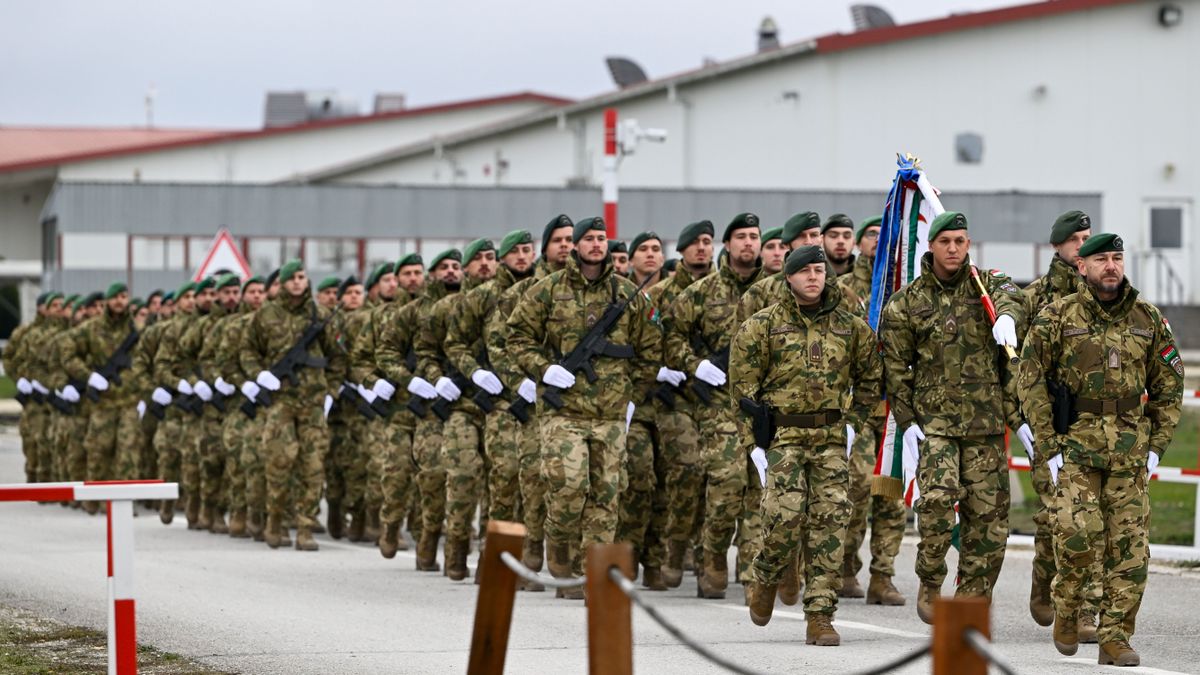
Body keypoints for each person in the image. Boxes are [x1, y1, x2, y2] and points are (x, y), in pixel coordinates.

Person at [1019, 233, 1182, 667]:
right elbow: (1030, 380)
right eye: (1101, 259)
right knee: (1076, 539)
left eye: (1117, 258)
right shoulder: (1056, 316)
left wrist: (1156, 446)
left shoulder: (1147, 318)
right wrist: (1047, 444)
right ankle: (1068, 608)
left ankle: (1115, 638)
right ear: (1082, 267)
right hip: (1074, 447)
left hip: (1130, 452)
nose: (1111, 266)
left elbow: (1169, 385)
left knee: (1130, 551)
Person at [879, 211, 1025, 622]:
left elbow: (1015, 295)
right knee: (938, 507)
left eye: (961, 241)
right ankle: (930, 577)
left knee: (990, 523)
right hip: (935, 426)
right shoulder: (907, 302)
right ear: (931, 245)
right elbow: (895, 369)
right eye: (946, 241)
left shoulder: (986, 285)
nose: (955, 249)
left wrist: (1008, 316)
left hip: (984, 427)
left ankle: (972, 596)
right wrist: (907, 422)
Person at [732, 245, 880, 645]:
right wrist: (753, 445)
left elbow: (871, 379)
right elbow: (742, 391)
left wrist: (853, 424)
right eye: (806, 271)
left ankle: (820, 615)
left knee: (831, 523)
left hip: (831, 438)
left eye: (820, 270)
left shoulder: (851, 327)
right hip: (783, 438)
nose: (814, 277)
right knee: (783, 518)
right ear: (789, 277)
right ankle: (766, 575)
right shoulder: (761, 326)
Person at [507, 216, 659, 599]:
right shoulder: (547, 289)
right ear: (575, 245)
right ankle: (559, 552)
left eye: (601, 238)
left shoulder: (626, 294)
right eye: (588, 238)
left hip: (609, 416)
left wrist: (631, 396)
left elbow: (651, 350)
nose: (596, 244)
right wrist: (545, 371)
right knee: (569, 489)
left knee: (607, 496)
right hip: (563, 414)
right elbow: (517, 335)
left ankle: (589, 573)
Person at [666, 212, 763, 599]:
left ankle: (754, 567)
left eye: (754, 236)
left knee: (761, 491)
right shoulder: (700, 293)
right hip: (719, 407)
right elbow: (670, 337)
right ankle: (713, 556)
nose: (748, 243)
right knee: (727, 484)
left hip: (763, 407)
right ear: (728, 245)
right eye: (740, 236)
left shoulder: (775, 291)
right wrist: (696, 366)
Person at [1020, 210, 1098, 635]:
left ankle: (1083, 610)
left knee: (1088, 520)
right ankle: (1043, 577)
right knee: (1055, 516)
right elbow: (1016, 366)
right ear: (1058, 246)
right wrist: (1025, 422)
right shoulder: (1035, 298)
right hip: (1049, 424)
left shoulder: (1103, 295)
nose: (1083, 246)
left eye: (1088, 237)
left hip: (1095, 426)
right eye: (1076, 239)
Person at [484, 215, 576, 576]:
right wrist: (518, 381)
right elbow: (499, 345)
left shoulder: (598, 291)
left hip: (582, 402)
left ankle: (566, 556)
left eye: (571, 239)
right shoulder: (522, 294)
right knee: (531, 478)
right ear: (547, 248)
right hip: (533, 401)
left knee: (573, 482)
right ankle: (529, 551)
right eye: (558, 241)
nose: (566, 246)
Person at [445, 230, 538, 583]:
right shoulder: (479, 299)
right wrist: (476, 373)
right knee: (493, 476)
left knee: (527, 480)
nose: (521, 257)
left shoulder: (545, 291)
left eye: (527, 250)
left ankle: (521, 558)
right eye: (513, 251)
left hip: (530, 398)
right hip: (482, 400)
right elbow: (454, 344)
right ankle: (479, 554)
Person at [240, 259, 346, 551]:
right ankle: (274, 520)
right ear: (283, 283)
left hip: (312, 404)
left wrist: (330, 393)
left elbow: (337, 358)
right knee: (279, 461)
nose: (298, 282)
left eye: (302, 276)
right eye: (292, 278)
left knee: (312, 467)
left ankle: (304, 527)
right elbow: (247, 351)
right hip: (280, 402)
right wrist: (259, 375)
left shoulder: (320, 315)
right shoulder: (265, 315)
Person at [414, 239, 497, 579]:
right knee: (462, 477)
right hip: (461, 406)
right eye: (477, 259)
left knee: (502, 484)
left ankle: (493, 559)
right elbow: (425, 352)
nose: (485, 264)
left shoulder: (516, 300)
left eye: (490, 258)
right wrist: (435, 379)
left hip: (503, 406)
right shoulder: (446, 308)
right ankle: (455, 552)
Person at [648, 220, 713, 588]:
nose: (702, 248)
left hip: (718, 399)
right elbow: (644, 340)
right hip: (675, 399)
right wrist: (660, 369)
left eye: (707, 242)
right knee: (687, 471)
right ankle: (674, 547)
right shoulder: (660, 294)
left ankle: (706, 559)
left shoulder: (728, 290)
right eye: (695, 243)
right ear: (683, 251)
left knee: (717, 480)